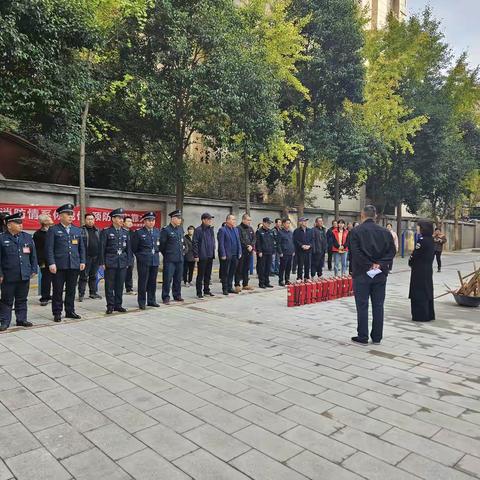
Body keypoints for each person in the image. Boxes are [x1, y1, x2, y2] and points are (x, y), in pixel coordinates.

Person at [349, 205, 396, 345]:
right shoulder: (385, 232)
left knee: (362, 305)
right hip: (380, 274)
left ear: (362, 215)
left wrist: (369, 264)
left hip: (362, 273)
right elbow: (392, 252)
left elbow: (355, 253)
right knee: (378, 305)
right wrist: (379, 264)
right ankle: (377, 337)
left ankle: (362, 336)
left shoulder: (356, 231)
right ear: (375, 216)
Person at [46, 204, 86, 322]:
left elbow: (81, 247)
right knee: (58, 290)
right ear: (60, 216)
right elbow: (49, 248)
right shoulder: (53, 230)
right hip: (58, 266)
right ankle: (57, 312)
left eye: (71, 214)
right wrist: (51, 263)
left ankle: (70, 311)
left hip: (73, 264)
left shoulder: (77, 230)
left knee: (71, 290)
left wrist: (82, 260)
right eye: (67, 214)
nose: (70, 217)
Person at [0, 212, 37, 331]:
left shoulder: (26, 237)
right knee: (7, 299)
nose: (21, 225)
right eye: (18, 223)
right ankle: (5, 321)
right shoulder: (2, 238)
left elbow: (33, 255)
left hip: (24, 274)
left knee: (22, 299)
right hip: (8, 275)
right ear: (9, 225)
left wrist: (33, 269)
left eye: (21, 222)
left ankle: (21, 319)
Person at [99, 208, 131, 314]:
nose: (122, 220)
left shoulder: (125, 232)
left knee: (120, 284)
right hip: (110, 261)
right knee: (109, 285)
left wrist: (128, 262)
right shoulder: (106, 231)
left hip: (122, 261)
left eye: (122, 218)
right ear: (113, 219)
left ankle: (118, 305)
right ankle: (110, 306)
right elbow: (102, 248)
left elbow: (129, 249)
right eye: (119, 218)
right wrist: (102, 262)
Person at [132, 212, 161, 310]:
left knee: (153, 282)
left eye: (153, 220)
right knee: (143, 282)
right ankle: (142, 301)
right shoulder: (139, 232)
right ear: (144, 221)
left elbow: (159, 245)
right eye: (149, 220)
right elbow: (134, 248)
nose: (151, 222)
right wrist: (141, 257)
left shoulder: (157, 231)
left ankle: (151, 300)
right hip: (144, 261)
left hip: (154, 260)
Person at [409, 220, 435, 322]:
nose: (417, 228)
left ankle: (420, 315)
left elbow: (415, 255)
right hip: (428, 268)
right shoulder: (431, 239)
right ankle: (429, 314)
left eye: (418, 226)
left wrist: (410, 260)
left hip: (419, 269)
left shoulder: (422, 240)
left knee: (419, 291)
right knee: (427, 289)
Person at [160, 210, 185, 304]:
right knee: (167, 279)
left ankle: (177, 295)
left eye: (180, 218)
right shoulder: (166, 230)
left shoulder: (180, 229)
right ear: (172, 218)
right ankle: (165, 297)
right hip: (170, 259)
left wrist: (184, 251)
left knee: (178, 279)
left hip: (179, 258)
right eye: (178, 218)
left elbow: (183, 243)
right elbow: (162, 245)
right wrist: (167, 254)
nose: (180, 220)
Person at [78, 213, 102, 302]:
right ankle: (81, 294)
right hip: (85, 257)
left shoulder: (98, 230)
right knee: (83, 276)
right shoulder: (81, 230)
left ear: (94, 220)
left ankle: (93, 293)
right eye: (88, 219)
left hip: (96, 257)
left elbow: (101, 244)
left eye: (92, 219)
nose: (90, 221)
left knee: (93, 276)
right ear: (85, 220)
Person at [217, 214, 242, 295]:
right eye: (232, 219)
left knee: (232, 272)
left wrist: (240, 252)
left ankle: (229, 287)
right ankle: (225, 288)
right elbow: (221, 243)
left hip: (235, 254)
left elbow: (238, 242)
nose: (234, 221)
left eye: (235, 219)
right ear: (227, 220)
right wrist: (223, 254)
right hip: (227, 255)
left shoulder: (236, 230)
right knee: (225, 272)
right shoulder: (222, 230)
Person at [193, 213, 215, 299]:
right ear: (203, 220)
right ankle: (199, 292)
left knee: (208, 274)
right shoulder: (198, 230)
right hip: (202, 256)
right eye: (208, 219)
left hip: (210, 255)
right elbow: (195, 243)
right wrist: (196, 255)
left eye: (210, 219)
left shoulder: (210, 230)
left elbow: (212, 241)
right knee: (200, 275)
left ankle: (206, 290)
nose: (210, 221)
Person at [33, 214, 54, 306]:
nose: (51, 220)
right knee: (45, 278)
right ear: (44, 222)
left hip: (54, 259)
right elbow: (37, 249)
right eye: (49, 219)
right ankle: (44, 297)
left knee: (55, 278)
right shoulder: (38, 234)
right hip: (43, 260)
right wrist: (40, 261)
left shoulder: (54, 231)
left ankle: (50, 295)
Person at [235, 213, 255, 292]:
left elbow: (254, 238)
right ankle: (237, 284)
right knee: (239, 268)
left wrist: (251, 245)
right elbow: (240, 239)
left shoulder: (250, 229)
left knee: (246, 268)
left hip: (249, 252)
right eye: (248, 220)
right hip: (242, 251)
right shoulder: (238, 228)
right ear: (243, 220)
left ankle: (245, 284)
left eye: (250, 220)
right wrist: (247, 246)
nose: (249, 221)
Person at [256, 218, 278, 288]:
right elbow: (258, 243)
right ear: (264, 223)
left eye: (270, 223)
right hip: (262, 253)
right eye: (268, 223)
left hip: (269, 252)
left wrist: (273, 251)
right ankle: (261, 283)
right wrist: (259, 251)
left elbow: (272, 242)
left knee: (268, 268)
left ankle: (267, 282)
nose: (269, 224)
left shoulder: (270, 231)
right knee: (262, 268)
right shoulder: (259, 231)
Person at [277, 218, 294, 286]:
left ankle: (287, 280)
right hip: (284, 253)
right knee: (282, 267)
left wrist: (293, 250)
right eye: (287, 223)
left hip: (290, 252)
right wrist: (280, 252)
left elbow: (293, 242)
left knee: (288, 267)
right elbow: (278, 243)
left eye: (289, 223)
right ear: (283, 224)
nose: (288, 224)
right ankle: (281, 280)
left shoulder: (291, 232)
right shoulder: (280, 232)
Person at [123, 216, 135, 294]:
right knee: (121, 273)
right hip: (123, 256)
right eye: (128, 221)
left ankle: (129, 288)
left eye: (131, 221)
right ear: (123, 223)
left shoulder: (133, 233)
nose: (130, 223)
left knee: (129, 272)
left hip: (131, 256)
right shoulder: (121, 232)